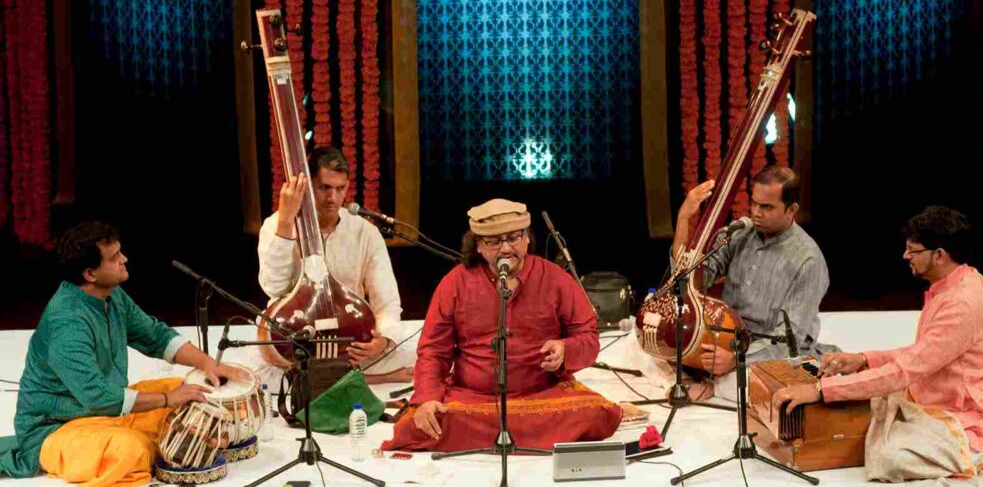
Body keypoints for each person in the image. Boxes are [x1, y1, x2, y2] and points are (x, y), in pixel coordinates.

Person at [773, 206, 983, 481]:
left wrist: (821, 389)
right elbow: (923, 353)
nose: (906, 256)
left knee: (890, 458)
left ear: (939, 255)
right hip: (934, 396)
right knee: (871, 405)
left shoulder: (963, 301)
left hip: (971, 415)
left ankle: (974, 455)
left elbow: (910, 368)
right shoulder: (954, 283)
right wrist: (864, 360)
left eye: (913, 250)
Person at [0, 221, 248, 485]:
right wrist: (166, 399)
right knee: (129, 451)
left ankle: (164, 442)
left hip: (105, 413)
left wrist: (207, 363)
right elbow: (96, 395)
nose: (124, 259)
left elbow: (155, 335)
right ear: (90, 274)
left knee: (195, 390)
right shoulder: (67, 322)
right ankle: (157, 446)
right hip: (56, 429)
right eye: (115, 257)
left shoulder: (112, 295)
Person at [382, 199, 622, 451]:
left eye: (514, 238)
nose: (506, 248)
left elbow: (588, 337)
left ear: (527, 239)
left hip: (541, 397)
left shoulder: (556, 279)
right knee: (417, 424)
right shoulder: (454, 283)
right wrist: (428, 398)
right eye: (494, 241)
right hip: (472, 398)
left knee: (596, 414)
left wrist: (566, 349)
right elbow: (433, 351)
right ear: (479, 247)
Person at [629, 165, 830, 401]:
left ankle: (707, 382)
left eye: (766, 207)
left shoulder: (808, 260)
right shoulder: (739, 234)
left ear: (792, 210)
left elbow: (790, 339)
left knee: (755, 383)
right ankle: (704, 379)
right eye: (754, 203)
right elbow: (688, 281)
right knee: (643, 343)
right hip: (722, 338)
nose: (756, 212)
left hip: (766, 351)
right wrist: (684, 218)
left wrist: (736, 359)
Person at [257, 146, 412, 376]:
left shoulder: (364, 232)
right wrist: (286, 222)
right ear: (308, 187)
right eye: (324, 188)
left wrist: (384, 341)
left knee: (412, 360)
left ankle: (358, 378)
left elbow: (387, 301)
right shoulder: (277, 224)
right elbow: (274, 287)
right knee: (272, 372)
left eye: (340, 189)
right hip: (298, 343)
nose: (333, 198)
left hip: (348, 344)